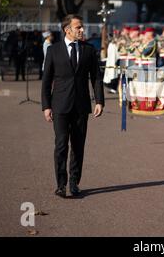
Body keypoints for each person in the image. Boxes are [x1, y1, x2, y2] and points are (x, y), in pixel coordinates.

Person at [41, 14, 104, 198]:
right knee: (61, 145)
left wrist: (99, 101)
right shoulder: (54, 50)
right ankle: (61, 184)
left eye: (82, 27)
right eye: (78, 27)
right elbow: (46, 81)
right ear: (67, 30)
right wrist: (46, 106)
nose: (82, 30)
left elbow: (96, 78)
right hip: (59, 105)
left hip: (81, 106)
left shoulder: (89, 50)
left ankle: (74, 183)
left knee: (78, 146)